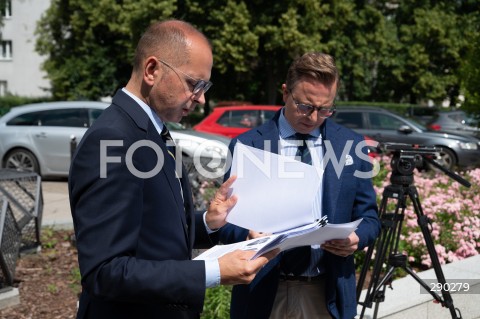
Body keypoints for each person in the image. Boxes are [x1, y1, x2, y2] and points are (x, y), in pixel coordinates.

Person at [69, 19, 276, 319]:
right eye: (194, 84)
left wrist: (208, 222)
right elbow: (105, 271)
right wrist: (212, 271)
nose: (202, 99)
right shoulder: (113, 139)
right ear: (152, 70)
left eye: (205, 86)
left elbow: (151, 232)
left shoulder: (147, 129)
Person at [219, 52, 381, 319]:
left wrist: (356, 238)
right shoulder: (248, 145)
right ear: (285, 92)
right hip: (263, 291)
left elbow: (370, 218)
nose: (314, 117)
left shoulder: (351, 145)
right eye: (305, 106)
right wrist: (248, 237)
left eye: (325, 109)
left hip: (326, 293)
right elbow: (224, 223)